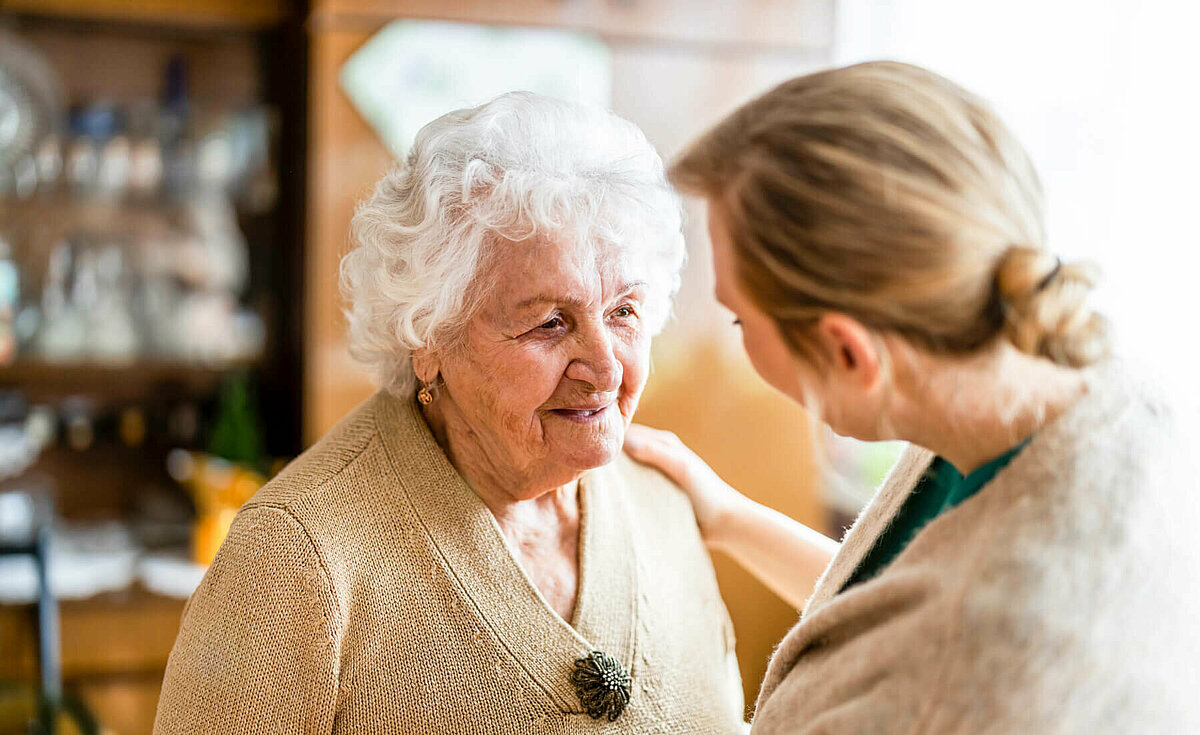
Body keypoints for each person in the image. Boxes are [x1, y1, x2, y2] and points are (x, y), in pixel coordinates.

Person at [624, 61, 1200, 733]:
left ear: (848, 352)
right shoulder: (1065, 385)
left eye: (738, 319)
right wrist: (725, 515)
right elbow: (888, 615)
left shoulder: (989, 669)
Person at [154, 92, 747, 734]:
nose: (605, 369)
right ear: (429, 340)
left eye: (624, 312)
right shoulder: (295, 558)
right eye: (550, 323)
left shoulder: (663, 501)